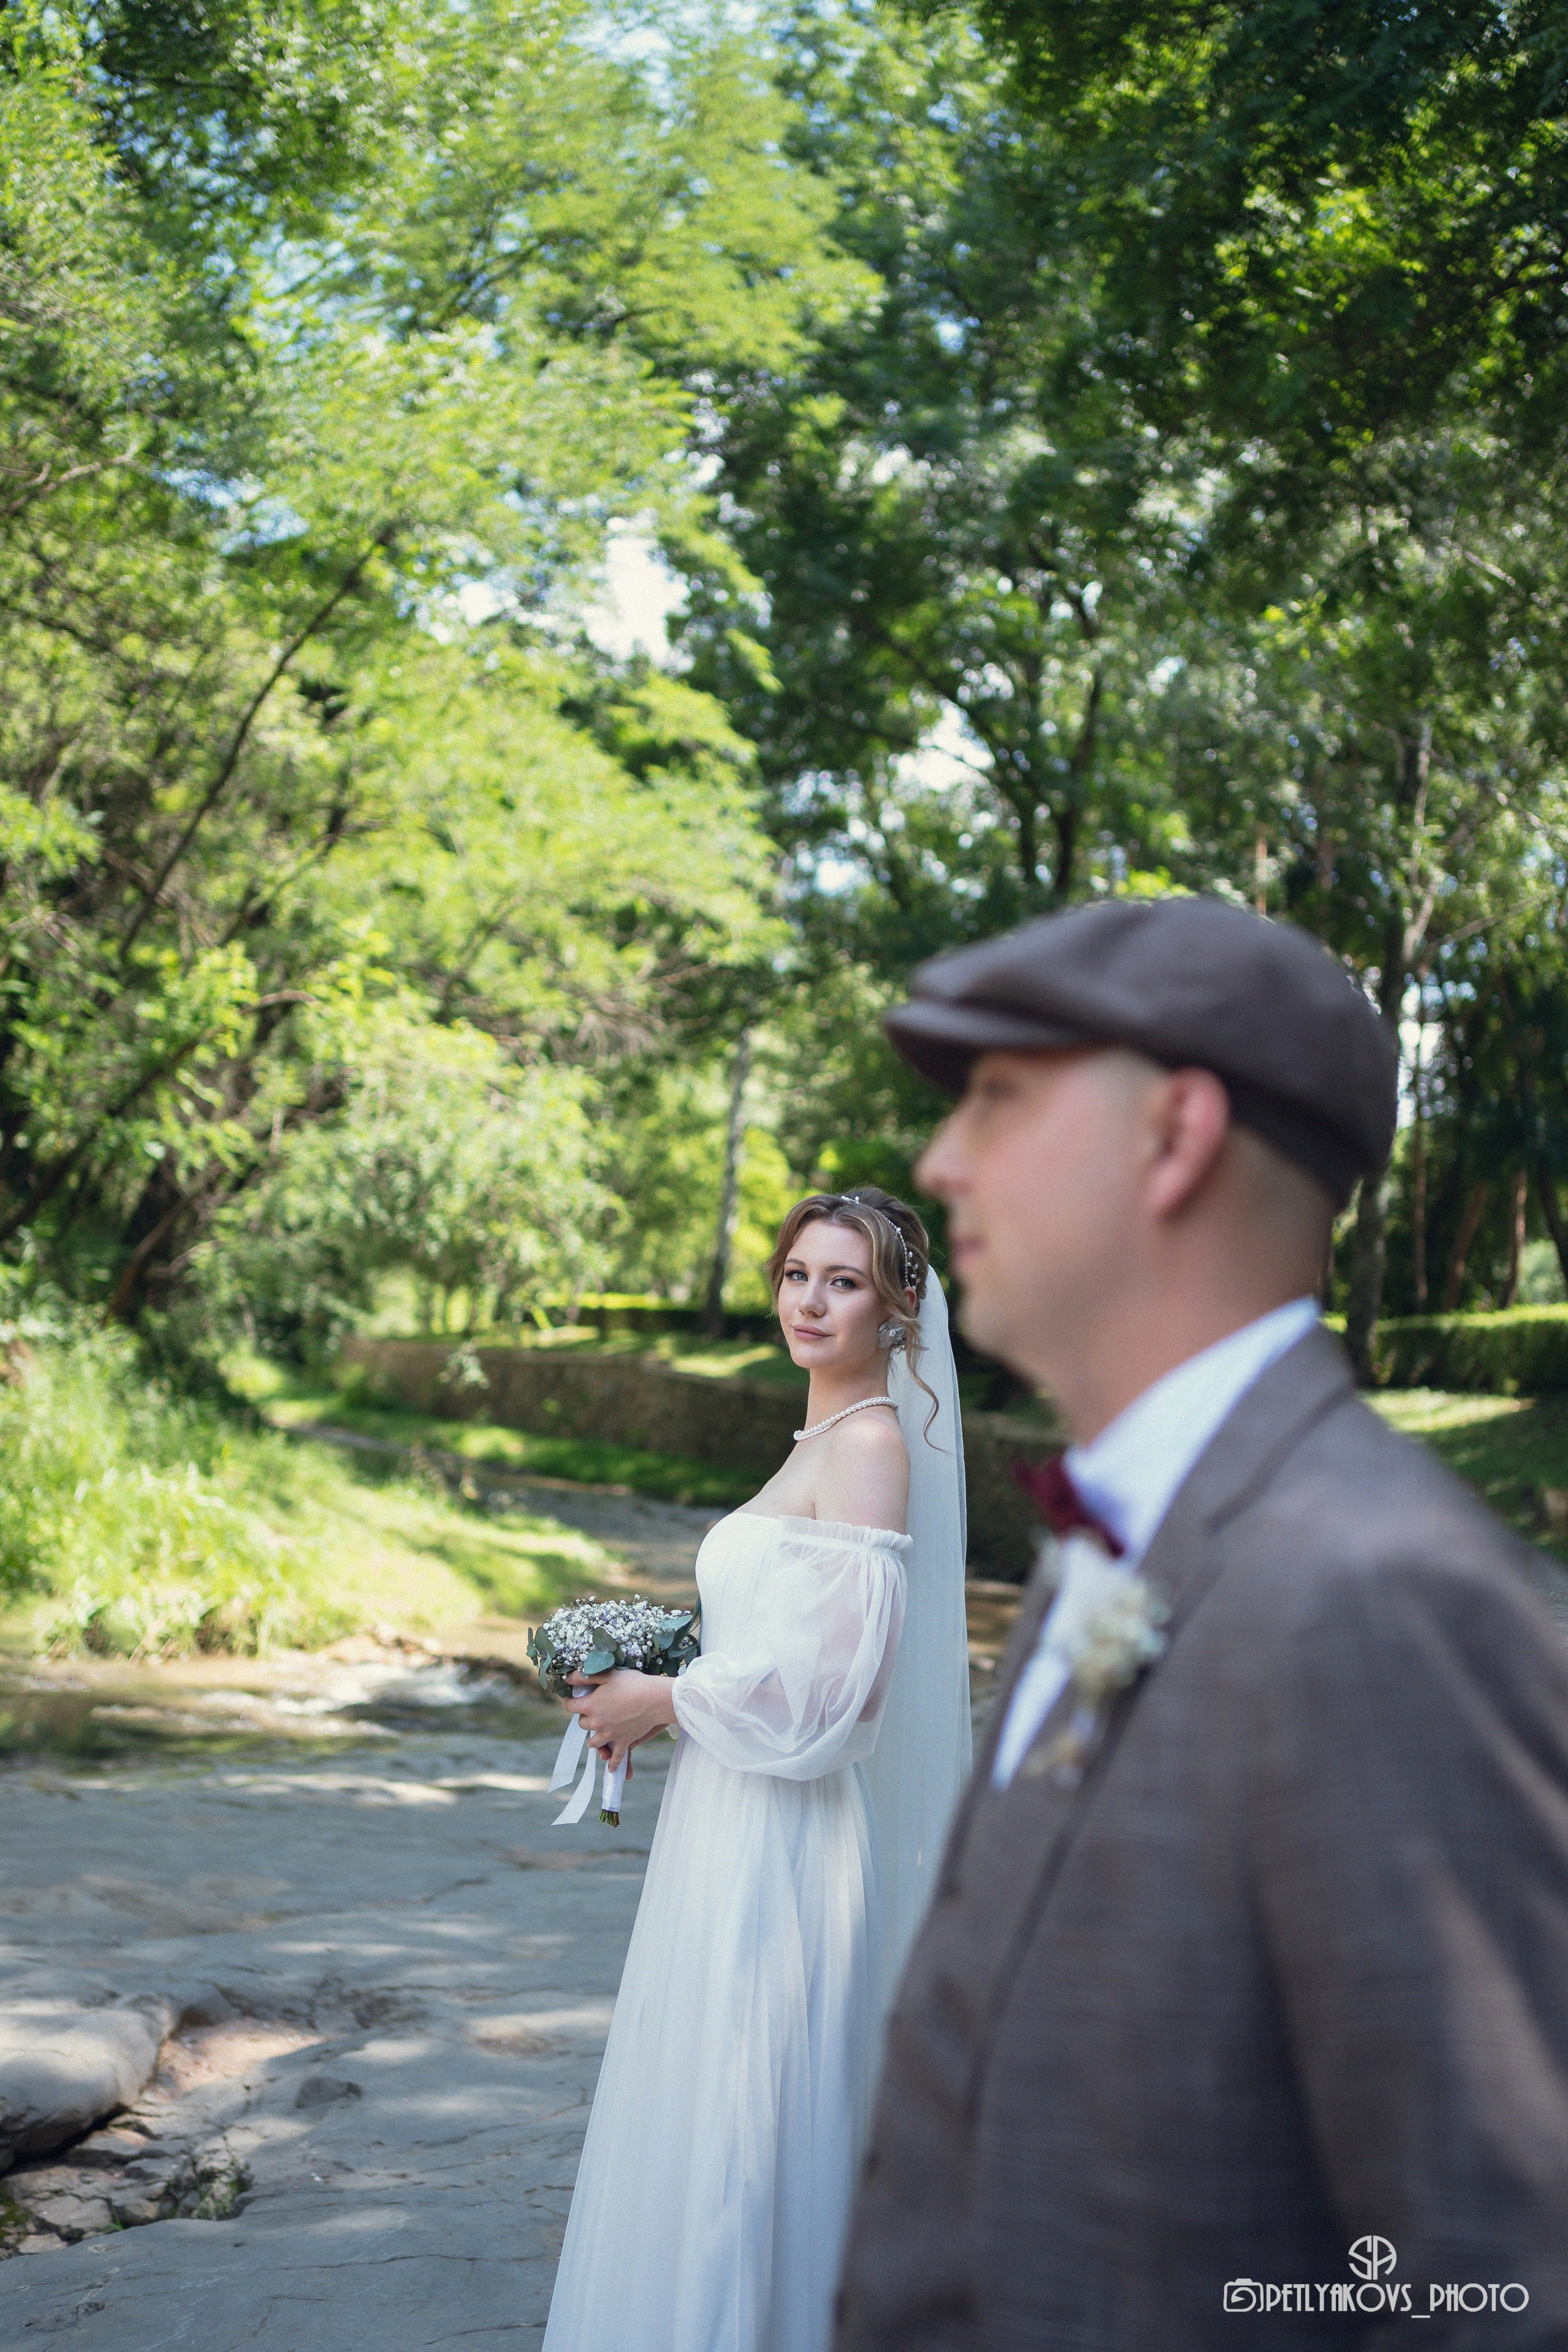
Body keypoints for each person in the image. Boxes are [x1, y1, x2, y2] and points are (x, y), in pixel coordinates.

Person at [834, 896, 1568, 2350]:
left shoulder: (1376, 1594)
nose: (936, 1160)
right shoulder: (1113, 1536)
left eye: (996, 1098)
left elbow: (1490, 2285)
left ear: (1172, 1139)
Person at [542, 1187, 971, 2352]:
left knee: (749, 2132)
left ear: (896, 1311)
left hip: (788, 1838)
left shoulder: (871, 1447)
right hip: (726, 1821)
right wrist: (655, 1679)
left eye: (844, 1282)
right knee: (705, 2117)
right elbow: (782, 1651)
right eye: (796, 1274)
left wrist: (665, 1700)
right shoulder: (818, 1443)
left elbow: (843, 1700)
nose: (810, 1301)